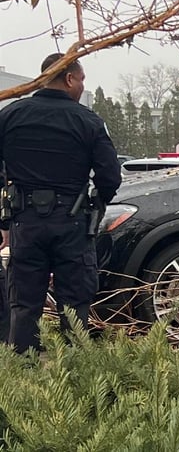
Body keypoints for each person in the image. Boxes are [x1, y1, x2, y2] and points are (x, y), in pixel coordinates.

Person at [0, 53, 121, 354]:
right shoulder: (88, 121)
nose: (81, 87)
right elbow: (110, 176)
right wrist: (97, 204)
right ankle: (75, 378)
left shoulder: (10, 116)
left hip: (25, 222)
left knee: (25, 306)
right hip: (73, 223)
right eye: (81, 80)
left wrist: (3, 221)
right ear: (69, 79)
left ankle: (23, 380)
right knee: (74, 306)